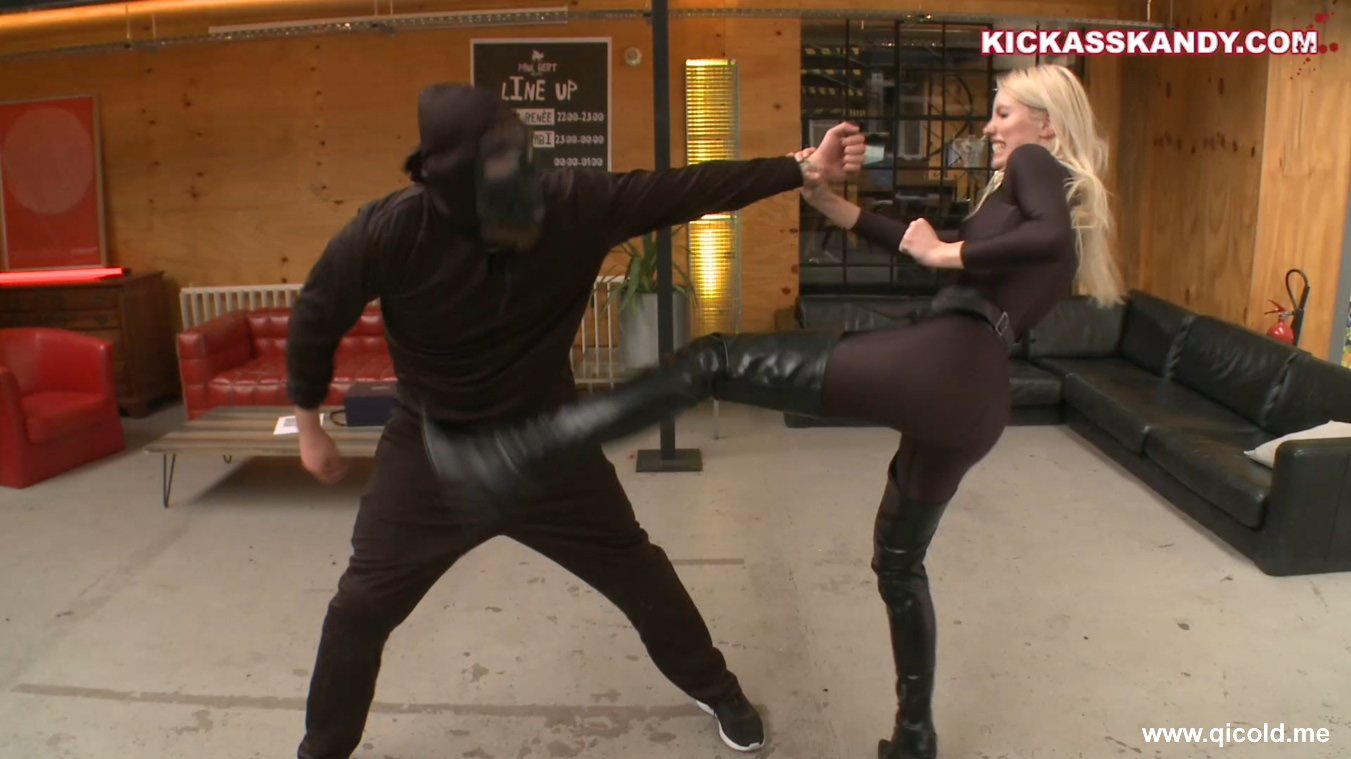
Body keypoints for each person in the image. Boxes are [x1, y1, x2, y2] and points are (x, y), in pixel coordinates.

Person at [420, 64, 1126, 759]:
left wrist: (948, 251)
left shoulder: (1038, 166)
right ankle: (915, 738)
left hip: (946, 360)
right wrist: (835, 207)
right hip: (978, 400)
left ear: (1046, 124)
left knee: (713, 362)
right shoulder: (1041, 199)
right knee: (899, 566)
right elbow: (932, 243)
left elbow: (1029, 240)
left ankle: (521, 453)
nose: (991, 127)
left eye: (1004, 113)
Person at [286, 82, 866, 759]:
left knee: (637, 572)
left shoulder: (567, 204)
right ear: (442, 177)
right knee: (360, 607)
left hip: (549, 448)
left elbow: (684, 189)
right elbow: (317, 313)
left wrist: (800, 168)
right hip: (432, 453)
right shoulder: (390, 231)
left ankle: (718, 689)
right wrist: (308, 423)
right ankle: (322, 749)